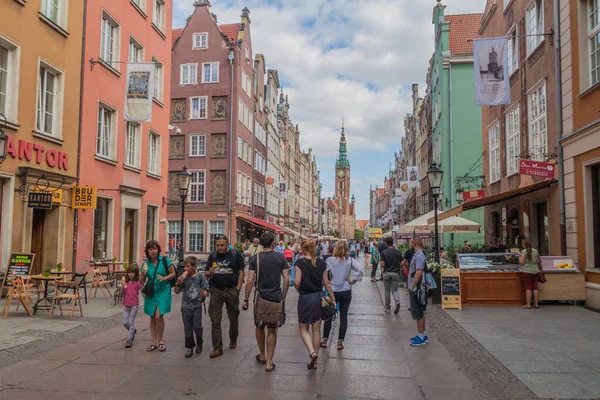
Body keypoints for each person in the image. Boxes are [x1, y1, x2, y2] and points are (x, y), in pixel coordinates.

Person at [243, 232, 290, 372]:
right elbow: (286, 279)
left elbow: (250, 281)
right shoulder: (280, 257)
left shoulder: (255, 259)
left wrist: (245, 299)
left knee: (259, 326)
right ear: (273, 243)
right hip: (276, 297)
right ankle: (269, 363)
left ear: (261, 244)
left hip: (261, 297)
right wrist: (284, 296)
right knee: (272, 328)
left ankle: (262, 355)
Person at [294, 238, 334, 370]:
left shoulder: (300, 263)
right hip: (319, 297)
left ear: (304, 250)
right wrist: (332, 299)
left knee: (303, 328)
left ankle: (312, 352)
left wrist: (298, 289)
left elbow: (297, 282)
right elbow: (326, 283)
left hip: (306, 297)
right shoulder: (322, 263)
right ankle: (315, 360)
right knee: (316, 330)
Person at [205, 235, 245, 358]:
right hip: (216, 290)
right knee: (215, 320)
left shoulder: (235, 254)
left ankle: (233, 338)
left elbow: (242, 271)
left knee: (233, 317)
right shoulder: (213, 255)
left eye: (222, 245)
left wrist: (238, 288)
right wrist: (209, 273)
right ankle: (217, 347)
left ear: (227, 244)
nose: (220, 248)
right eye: (217, 245)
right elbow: (206, 273)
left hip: (231, 289)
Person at [322, 240, 363, 350]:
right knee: (344, 316)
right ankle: (340, 342)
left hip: (333, 290)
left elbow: (324, 273)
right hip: (346, 289)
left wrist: (327, 283)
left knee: (328, 316)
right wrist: (353, 280)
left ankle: (325, 339)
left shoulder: (330, 260)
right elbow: (360, 270)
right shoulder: (350, 260)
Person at [141, 240, 176, 352]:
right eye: (151, 249)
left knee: (158, 316)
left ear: (158, 250)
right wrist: (143, 273)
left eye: (155, 249)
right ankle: (154, 342)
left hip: (163, 291)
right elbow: (141, 281)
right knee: (152, 316)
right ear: (147, 251)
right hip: (151, 292)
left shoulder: (165, 260)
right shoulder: (145, 264)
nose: (153, 251)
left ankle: (160, 341)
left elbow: (173, 273)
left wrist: (164, 278)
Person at [175, 256, 209, 358]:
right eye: (184, 267)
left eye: (187, 266)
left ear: (194, 267)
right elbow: (176, 292)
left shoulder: (200, 277)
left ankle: (199, 342)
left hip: (197, 305)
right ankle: (189, 347)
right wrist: (178, 282)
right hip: (185, 306)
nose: (185, 269)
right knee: (187, 328)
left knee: (197, 326)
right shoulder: (183, 278)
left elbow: (205, 288)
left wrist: (204, 293)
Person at [408, 238, 428, 346]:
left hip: (418, 288)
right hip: (417, 287)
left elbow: (418, 273)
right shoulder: (418, 255)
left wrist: (412, 287)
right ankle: (423, 334)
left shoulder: (419, 256)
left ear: (414, 243)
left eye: (411, 242)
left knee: (418, 312)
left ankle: (421, 336)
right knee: (419, 311)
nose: (409, 244)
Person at [380, 237, 403, 314]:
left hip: (387, 272)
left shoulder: (384, 252)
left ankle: (388, 307)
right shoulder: (398, 252)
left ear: (386, 243)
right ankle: (397, 302)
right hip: (396, 273)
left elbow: (382, 264)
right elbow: (402, 263)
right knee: (395, 290)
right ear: (393, 243)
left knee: (387, 290)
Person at [122, 263, 143, 349]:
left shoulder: (137, 283)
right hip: (126, 305)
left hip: (134, 304)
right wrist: (122, 287)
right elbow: (122, 294)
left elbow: (142, 291)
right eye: (129, 272)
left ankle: (129, 339)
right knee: (125, 322)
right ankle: (133, 330)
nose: (130, 274)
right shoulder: (125, 283)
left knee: (131, 322)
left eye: (133, 272)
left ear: (136, 274)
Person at [520, 239, 541, 309]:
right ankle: (536, 304)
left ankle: (528, 304)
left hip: (527, 271)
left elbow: (522, 263)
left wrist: (520, 256)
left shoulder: (523, 252)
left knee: (528, 288)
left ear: (524, 245)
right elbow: (538, 261)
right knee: (535, 287)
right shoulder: (535, 251)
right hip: (536, 271)